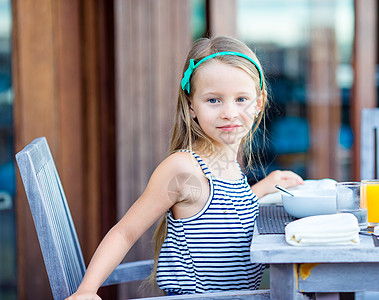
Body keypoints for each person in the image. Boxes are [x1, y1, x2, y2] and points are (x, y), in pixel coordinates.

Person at [67, 36, 303, 299]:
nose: (229, 112)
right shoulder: (184, 169)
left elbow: (223, 213)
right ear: (191, 106)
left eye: (241, 99)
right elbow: (125, 231)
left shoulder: (229, 165)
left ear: (258, 103)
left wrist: (260, 189)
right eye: (213, 100)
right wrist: (87, 290)